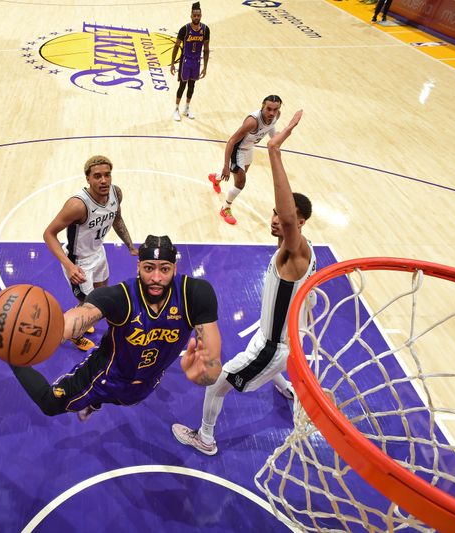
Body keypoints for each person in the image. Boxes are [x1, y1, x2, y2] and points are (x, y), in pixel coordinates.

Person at [172, 110, 315, 456]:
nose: (276, 220)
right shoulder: (296, 254)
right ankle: (285, 385)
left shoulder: (294, 253)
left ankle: (205, 436)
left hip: (272, 346)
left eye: (285, 218)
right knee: (274, 359)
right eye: (274, 214)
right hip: (281, 341)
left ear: (300, 223)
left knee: (216, 383)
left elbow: (287, 217)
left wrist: (275, 152)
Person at [0, 235, 222, 422]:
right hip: (103, 374)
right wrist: (12, 335)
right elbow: (73, 321)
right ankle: (4, 355)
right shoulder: (120, 297)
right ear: (138, 267)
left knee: (124, 399)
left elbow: (211, 365)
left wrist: (204, 376)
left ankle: (93, 403)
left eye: (164, 269)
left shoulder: (195, 296)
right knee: (49, 404)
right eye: (148, 268)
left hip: (145, 383)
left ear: (175, 268)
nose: (156, 277)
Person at [42, 155, 137, 351]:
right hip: (79, 262)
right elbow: (48, 234)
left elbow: (117, 219)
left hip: (98, 253)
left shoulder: (115, 193)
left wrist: (130, 245)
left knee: (101, 296)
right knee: (88, 304)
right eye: (97, 176)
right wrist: (69, 267)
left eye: (107, 175)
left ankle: (86, 317)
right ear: (88, 179)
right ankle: (75, 335)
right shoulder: (77, 205)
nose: (103, 180)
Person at [209, 95, 282, 225]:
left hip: (249, 148)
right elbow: (231, 141)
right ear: (262, 107)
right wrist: (226, 165)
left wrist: (274, 138)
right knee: (241, 182)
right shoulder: (252, 122)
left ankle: (217, 178)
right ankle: (225, 208)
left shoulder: (276, 116)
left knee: (238, 176)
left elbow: (271, 127)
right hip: (237, 150)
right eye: (268, 109)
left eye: (275, 109)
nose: (272, 113)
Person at [169, 2, 210, 122]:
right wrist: (172, 63)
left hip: (196, 62)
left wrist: (205, 67)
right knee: (182, 85)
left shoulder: (205, 29)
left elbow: (206, 49)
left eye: (198, 16)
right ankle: (176, 109)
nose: (196, 17)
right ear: (191, 16)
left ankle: (186, 108)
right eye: (194, 16)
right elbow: (176, 46)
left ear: (201, 15)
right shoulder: (185, 29)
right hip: (185, 61)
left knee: (192, 85)